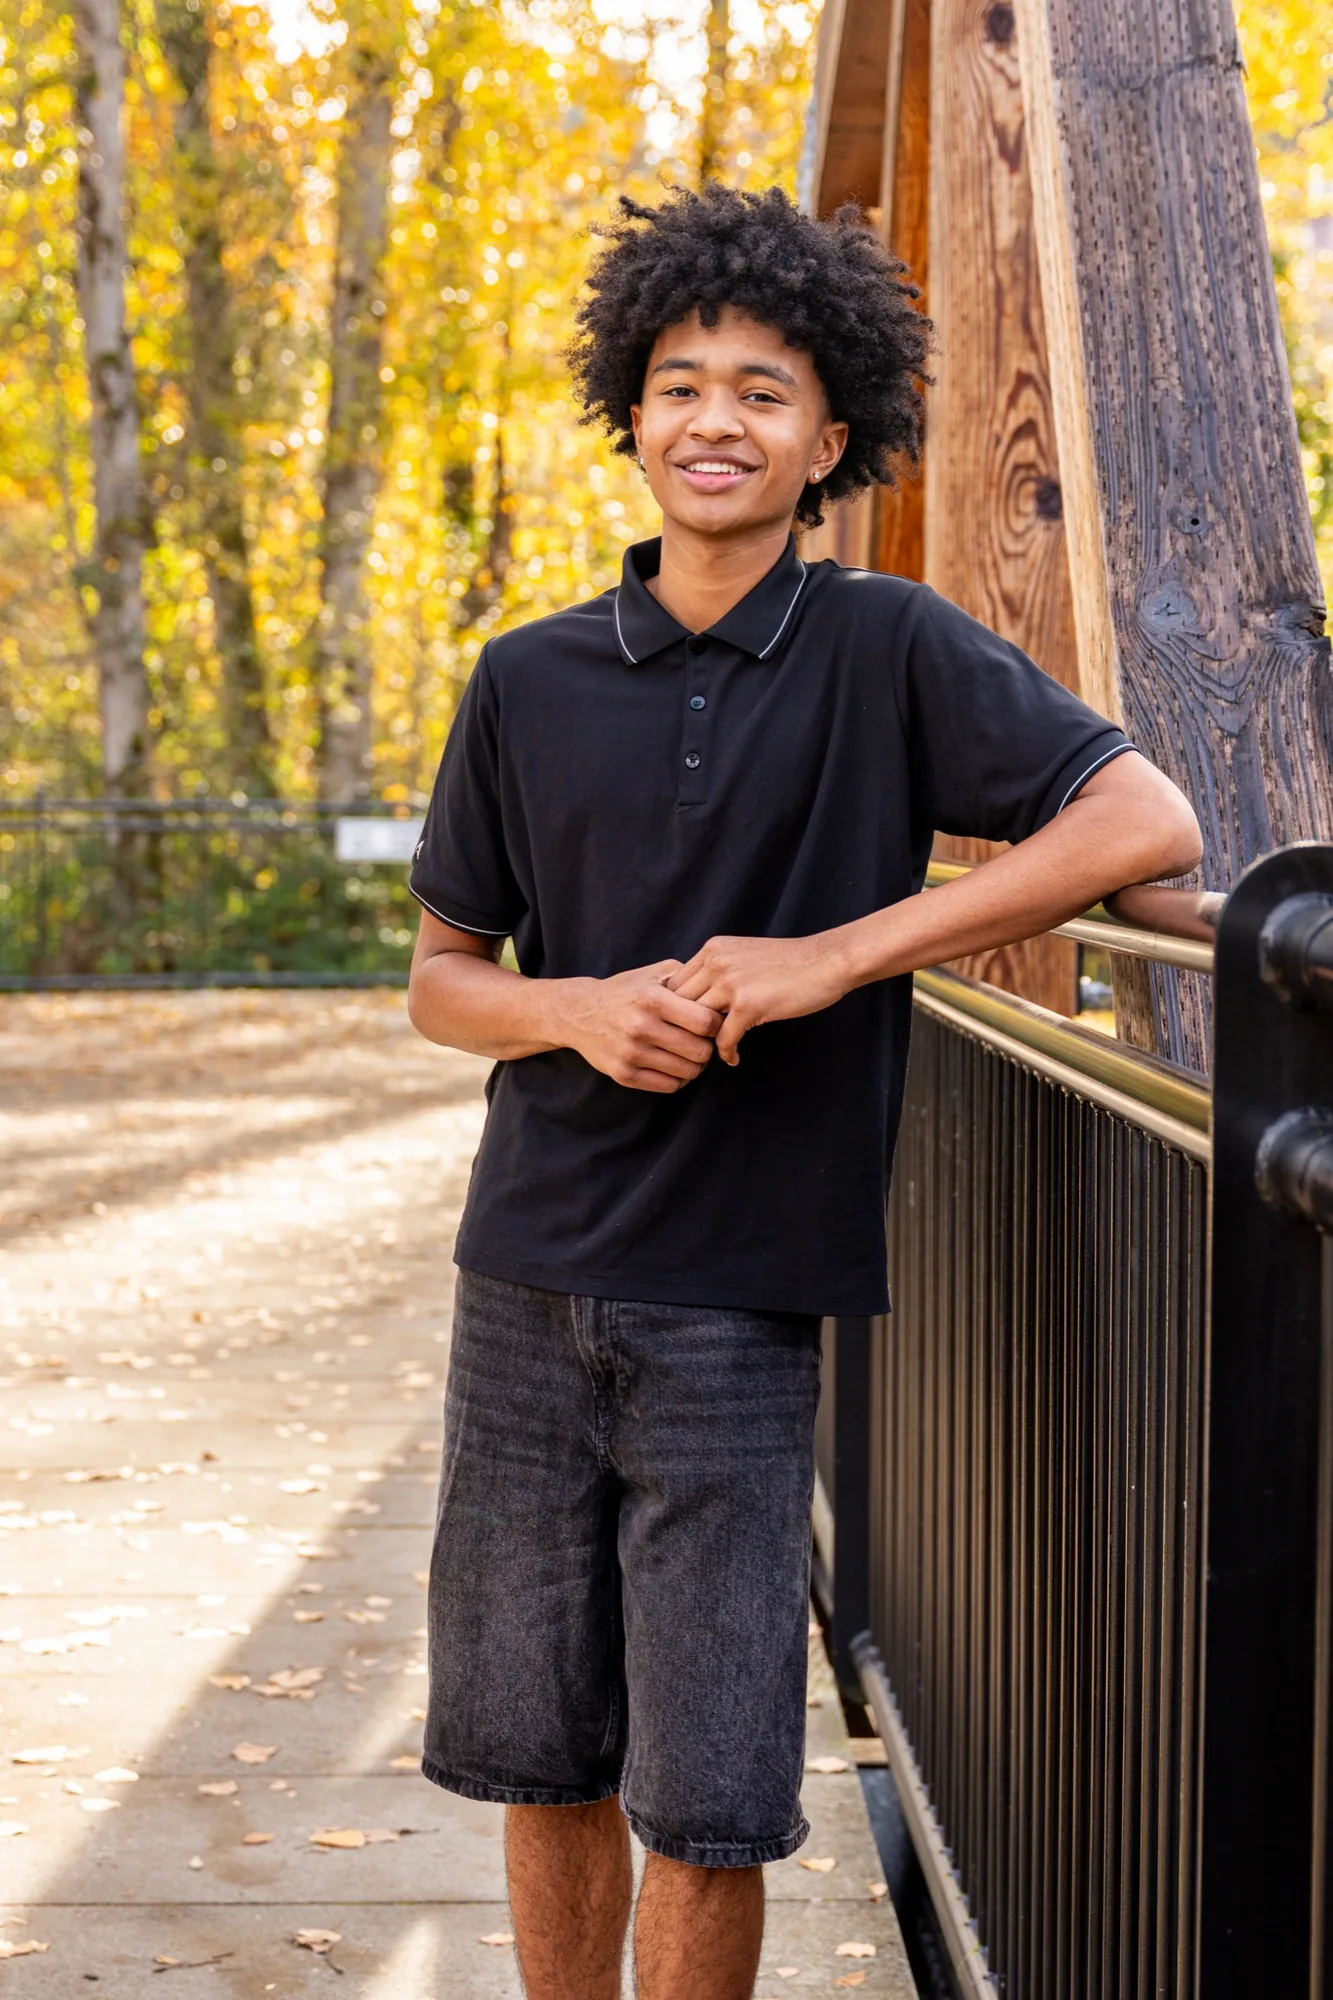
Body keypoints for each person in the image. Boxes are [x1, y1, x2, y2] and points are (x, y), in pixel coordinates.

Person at [405, 184, 1201, 2000]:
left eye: (762, 391)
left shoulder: (889, 647)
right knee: (541, 1752)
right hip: (523, 1276)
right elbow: (446, 984)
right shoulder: (524, 678)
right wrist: (580, 1012)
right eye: (681, 384)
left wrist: (835, 955)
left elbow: (1146, 821)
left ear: (828, 441)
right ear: (634, 416)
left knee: (712, 1795)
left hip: (742, 1298)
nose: (715, 419)